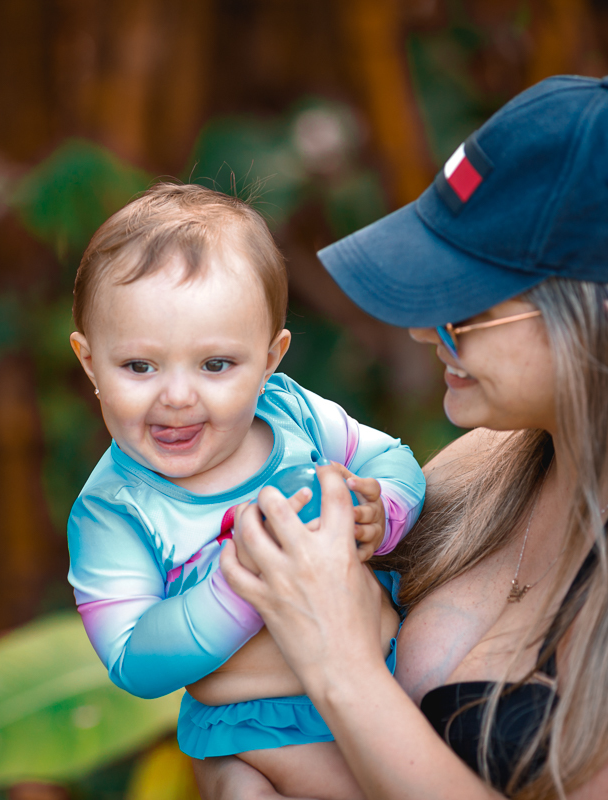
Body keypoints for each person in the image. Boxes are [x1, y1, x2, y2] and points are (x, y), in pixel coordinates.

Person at [194, 75, 608, 798]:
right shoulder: (486, 470)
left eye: (462, 310)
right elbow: (222, 683)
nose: (422, 330)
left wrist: (341, 668)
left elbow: (331, 671)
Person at [65, 183, 426, 799]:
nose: (177, 397)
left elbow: (391, 458)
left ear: (269, 360)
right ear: (90, 362)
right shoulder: (114, 510)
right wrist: (242, 590)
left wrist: (380, 508)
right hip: (258, 727)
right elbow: (130, 657)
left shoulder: (292, 415)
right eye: (140, 367)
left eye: (215, 365)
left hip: (388, 673)